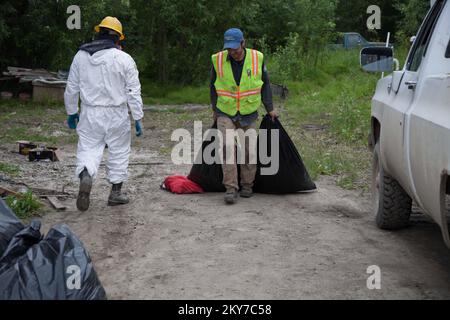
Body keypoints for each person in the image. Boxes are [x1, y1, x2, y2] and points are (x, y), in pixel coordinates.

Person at [64, 16, 144, 211]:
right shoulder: (124, 59)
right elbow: (133, 91)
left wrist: (72, 111)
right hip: (117, 114)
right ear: (118, 38)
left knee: (88, 148)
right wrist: (138, 117)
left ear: (98, 33)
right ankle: (115, 193)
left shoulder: (81, 56)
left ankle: (85, 175)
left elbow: (71, 88)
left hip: (90, 113)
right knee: (119, 150)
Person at [210, 28, 276, 204]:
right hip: (226, 111)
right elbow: (213, 86)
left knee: (249, 150)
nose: (232, 52)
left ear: (243, 43)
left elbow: (266, 84)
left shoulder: (257, 58)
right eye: (229, 49)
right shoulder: (218, 60)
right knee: (227, 148)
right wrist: (215, 109)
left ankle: (247, 184)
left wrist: (270, 108)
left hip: (248, 113)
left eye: (235, 48)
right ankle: (231, 188)